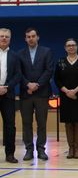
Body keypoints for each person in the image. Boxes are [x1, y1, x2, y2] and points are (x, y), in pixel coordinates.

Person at [18, 27, 54, 161]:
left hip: (41, 93)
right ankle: (28, 149)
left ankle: (41, 149)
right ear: (25, 39)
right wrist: (28, 84)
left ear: (37, 37)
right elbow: (18, 73)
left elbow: (49, 70)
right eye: (28, 37)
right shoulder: (19, 54)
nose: (31, 39)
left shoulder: (46, 51)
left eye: (33, 36)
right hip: (26, 93)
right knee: (26, 123)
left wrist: (37, 85)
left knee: (42, 123)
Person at [54, 38, 78, 159]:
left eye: (73, 45)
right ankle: (71, 148)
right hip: (65, 96)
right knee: (68, 123)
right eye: (68, 45)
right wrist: (67, 91)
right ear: (65, 48)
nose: (71, 47)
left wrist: (75, 90)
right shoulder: (61, 61)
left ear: (77, 47)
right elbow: (57, 79)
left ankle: (77, 148)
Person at [0, 28, 21, 163]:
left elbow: (18, 75)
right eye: (1, 36)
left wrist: (6, 87)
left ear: (10, 39)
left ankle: (10, 154)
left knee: (10, 126)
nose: (4, 38)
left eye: (6, 36)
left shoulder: (15, 56)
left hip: (8, 95)